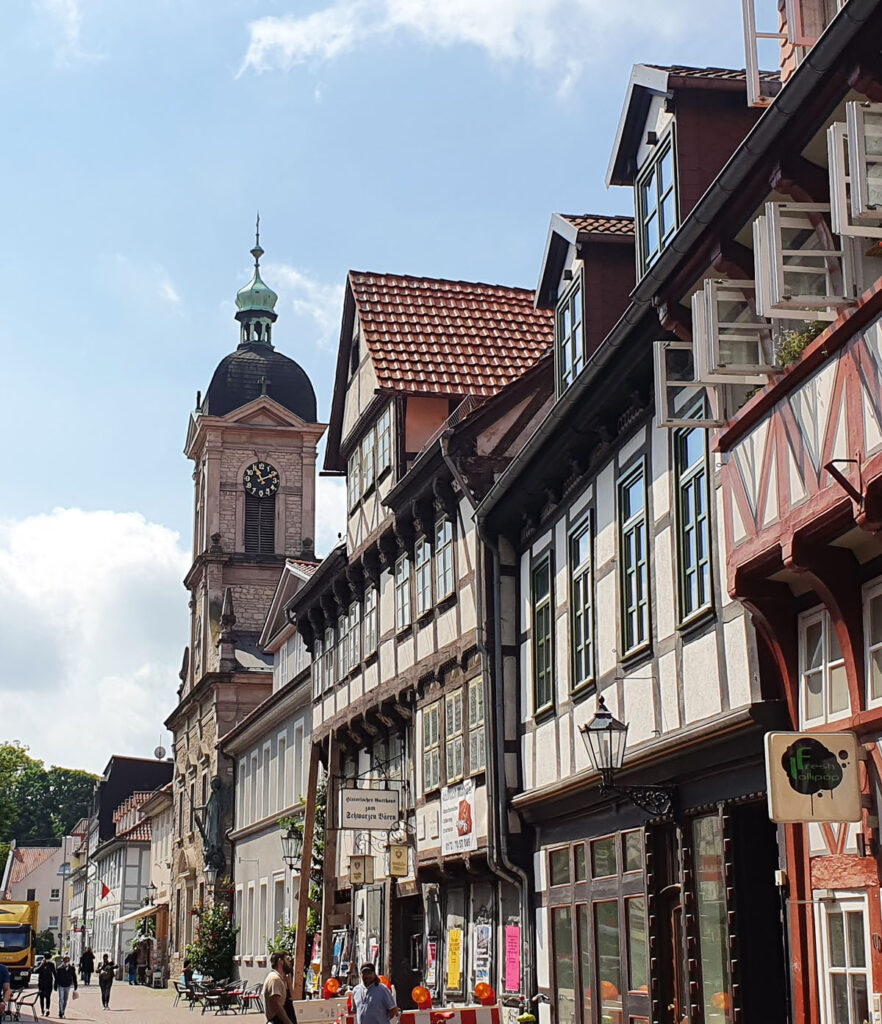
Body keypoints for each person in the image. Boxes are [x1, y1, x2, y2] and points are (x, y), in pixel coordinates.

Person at [263, 951, 297, 1024]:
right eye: (286, 959)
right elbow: (277, 1005)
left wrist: (289, 984)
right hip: (277, 1021)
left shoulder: (281, 979)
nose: (289, 963)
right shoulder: (275, 979)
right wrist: (288, 1022)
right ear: (280, 961)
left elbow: (291, 999)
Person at [55, 954, 78, 1019]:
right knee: (61, 998)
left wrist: (75, 986)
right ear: (63, 960)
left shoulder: (71, 968)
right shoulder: (59, 968)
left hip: (68, 985)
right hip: (61, 985)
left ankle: (63, 1011)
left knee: (65, 999)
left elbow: (74, 977)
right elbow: (57, 977)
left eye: (68, 959)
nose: (66, 960)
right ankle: (61, 1012)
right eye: (65, 959)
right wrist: (55, 985)